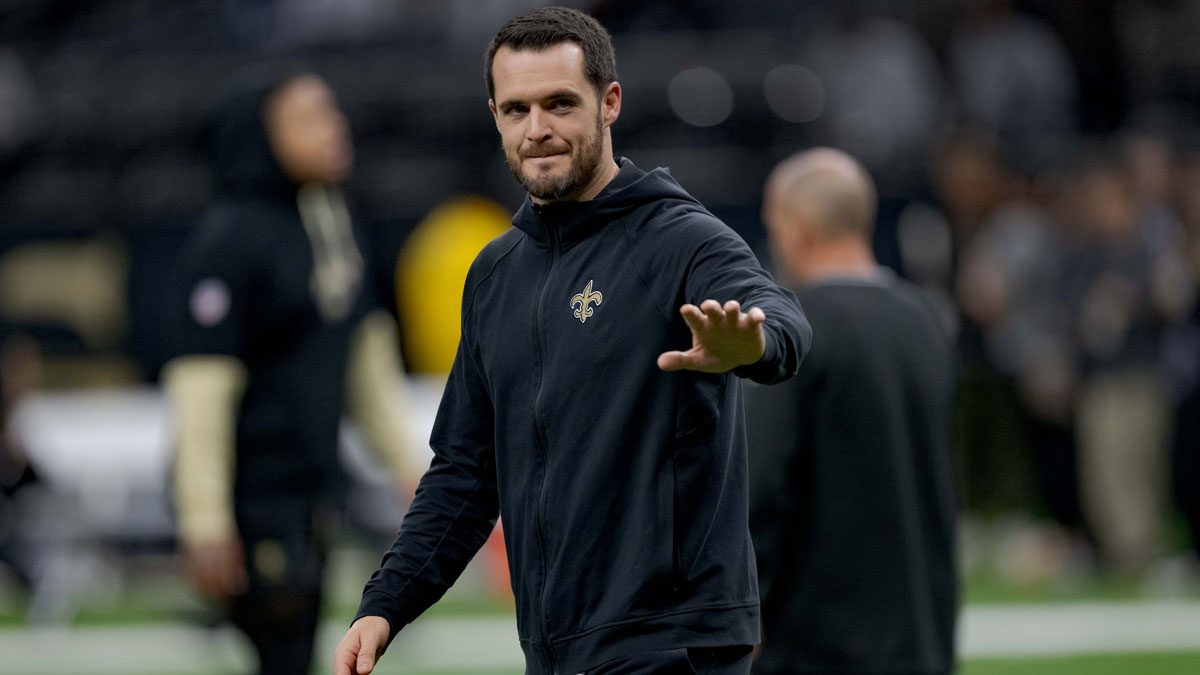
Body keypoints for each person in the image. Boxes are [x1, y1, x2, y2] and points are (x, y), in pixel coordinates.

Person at [333, 7, 811, 675]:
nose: (538, 129)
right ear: (494, 115)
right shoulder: (495, 274)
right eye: (517, 109)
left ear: (609, 102)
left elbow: (779, 316)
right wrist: (384, 604)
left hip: (672, 648)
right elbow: (464, 477)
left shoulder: (678, 237)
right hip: (556, 653)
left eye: (560, 103)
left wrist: (753, 345)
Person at [163, 66, 411, 675]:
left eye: (331, 112)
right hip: (257, 496)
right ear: (261, 136)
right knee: (282, 650)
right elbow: (200, 395)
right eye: (308, 118)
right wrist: (205, 521)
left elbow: (366, 362)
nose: (335, 128)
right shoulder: (230, 239)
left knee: (300, 650)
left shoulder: (334, 221)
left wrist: (411, 468)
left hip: (313, 491)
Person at [746, 148, 957, 675]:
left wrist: (742, 607)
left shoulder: (797, 326)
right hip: (922, 636)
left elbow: (760, 482)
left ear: (800, 228)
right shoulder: (925, 319)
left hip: (818, 642)